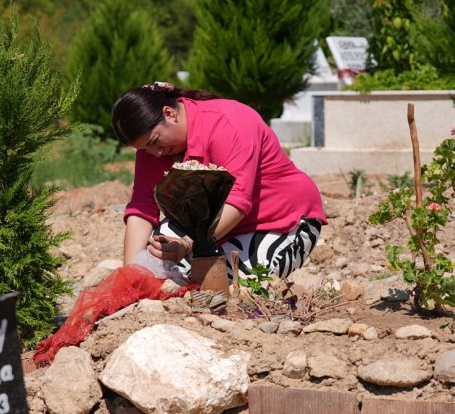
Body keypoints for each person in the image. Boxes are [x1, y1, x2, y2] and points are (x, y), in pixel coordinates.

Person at [111, 81, 327, 279]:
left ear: (170, 114)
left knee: (244, 286)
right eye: (145, 149)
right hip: (208, 226)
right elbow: (142, 208)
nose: (155, 154)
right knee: (152, 273)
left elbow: (237, 200)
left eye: (155, 142)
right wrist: (130, 273)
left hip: (279, 221)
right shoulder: (152, 149)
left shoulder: (229, 122)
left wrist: (187, 246)